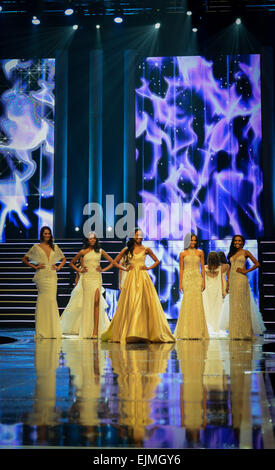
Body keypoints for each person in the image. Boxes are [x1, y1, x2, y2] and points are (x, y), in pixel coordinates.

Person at [101, 228, 175, 343]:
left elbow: (157, 261)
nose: (139, 237)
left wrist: (148, 267)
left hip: (143, 277)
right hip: (131, 278)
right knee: (131, 302)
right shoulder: (127, 249)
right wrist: (125, 268)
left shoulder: (146, 249)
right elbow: (115, 261)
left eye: (140, 235)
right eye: (137, 235)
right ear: (133, 236)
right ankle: (131, 331)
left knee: (143, 302)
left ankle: (143, 332)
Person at [22, 226, 66, 339]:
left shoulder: (54, 247)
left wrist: (58, 267)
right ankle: (42, 331)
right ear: (42, 235)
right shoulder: (36, 247)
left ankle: (52, 331)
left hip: (52, 276)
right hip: (41, 276)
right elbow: (24, 259)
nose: (47, 235)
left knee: (52, 301)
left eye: (48, 233)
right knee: (42, 301)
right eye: (45, 233)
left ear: (50, 235)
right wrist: (35, 266)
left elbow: (64, 259)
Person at [69, 232, 113, 339]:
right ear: (88, 240)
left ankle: (95, 331)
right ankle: (88, 330)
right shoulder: (83, 252)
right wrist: (80, 270)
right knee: (88, 303)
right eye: (90, 239)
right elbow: (71, 263)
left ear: (96, 240)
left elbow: (112, 262)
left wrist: (103, 269)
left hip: (97, 277)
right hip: (87, 279)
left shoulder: (100, 251)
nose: (92, 240)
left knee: (97, 302)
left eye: (94, 239)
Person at [227, 235, 265, 340]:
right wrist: (227, 284)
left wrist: (246, 271)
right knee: (234, 306)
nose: (237, 242)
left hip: (241, 280)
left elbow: (257, 264)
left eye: (239, 240)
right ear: (233, 242)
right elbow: (230, 269)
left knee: (242, 305)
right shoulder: (231, 253)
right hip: (233, 281)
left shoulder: (246, 252)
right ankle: (236, 332)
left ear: (243, 242)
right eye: (235, 240)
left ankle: (245, 332)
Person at [174, 233, 209, 340]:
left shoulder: (200, 252)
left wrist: (203, 281)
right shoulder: (182, 254)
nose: (193, 242)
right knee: (187, 303)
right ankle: (186, 331)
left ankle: (198, 331)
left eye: (194, 240)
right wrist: (180, 283)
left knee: (197, 303)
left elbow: (202, 268)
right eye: (191, 240)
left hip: (197, 279)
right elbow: (181, 269)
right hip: (187, 279)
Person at [203, 251, 228, 337]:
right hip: (215, 290)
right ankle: (215, 327)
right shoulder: (220, 268)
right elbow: (221, 280)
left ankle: (210, 326)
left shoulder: (204, 268)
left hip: (208, 290)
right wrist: (223, 291)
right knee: (217, 308)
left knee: (208, 307)